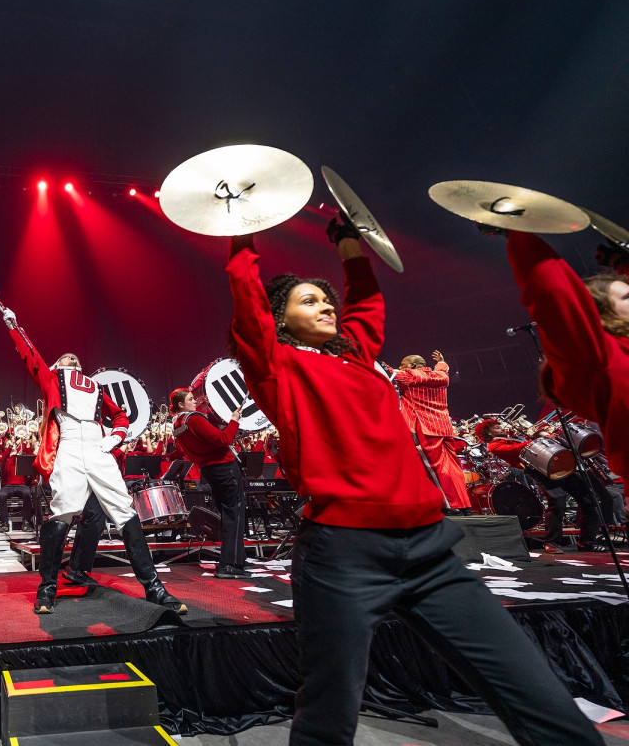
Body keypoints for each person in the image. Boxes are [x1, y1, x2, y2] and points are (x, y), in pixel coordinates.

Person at [224, 218, 600, 745]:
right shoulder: (276, 366)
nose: (327, 307)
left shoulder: (358, 359)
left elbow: (366, 307)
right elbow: (248, 304)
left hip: (429, 550)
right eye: (309, 301)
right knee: (328, 716)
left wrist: (350, 244)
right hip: (343, 555)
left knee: (540, 698)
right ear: (279, 320)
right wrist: (243, 228)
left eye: (327, 300)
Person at [0, 311, 185, 615]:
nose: (72, 358)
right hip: (69, 445)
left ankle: (154, 588)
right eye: (66, 357)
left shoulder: (96, 388)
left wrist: (117, 436)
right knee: (63, 512)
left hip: (98, 447)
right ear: (57, 365)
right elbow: (30, 357)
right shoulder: (52, 378)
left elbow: (120, 415)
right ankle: (47, 588)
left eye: (75, 357)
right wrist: (14, 326)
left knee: (124, 510)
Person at [503, 230, 629, 480]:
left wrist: (621, 263)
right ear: (603, 316)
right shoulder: (601, 357)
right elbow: (552, 294)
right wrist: (516, 234)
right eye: (627, 296)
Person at [476, 418, 605, 553]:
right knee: (558, 504)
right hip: (543, 473)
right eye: (496, 427)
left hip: (560, 465)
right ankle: (551, 542)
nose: (502, 427)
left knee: (588, 500)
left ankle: (587, 542)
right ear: (488, 433)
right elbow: (516, 449)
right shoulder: (494, 446)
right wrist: (540, 440)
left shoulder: (513, 437)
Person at [169, 388, 247, 579]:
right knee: (234, 513)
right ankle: (229, 564)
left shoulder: (178, 423)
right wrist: (234, 421)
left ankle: (236, 559)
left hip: (209, 470)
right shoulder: (194, 419)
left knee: (228, 512)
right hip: (224, 468)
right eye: (190, 399)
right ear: (181, 404)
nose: (195, 401)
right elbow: (224, 439)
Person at [389, 351, 471, 513]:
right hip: (444, 427)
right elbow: (443, 369)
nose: (400, 367)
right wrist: (441, 361)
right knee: (453, 468)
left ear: (412, 366)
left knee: (434, 467)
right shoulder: (441, 376)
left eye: (403, 365)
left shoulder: (407, 377)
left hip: (424, 427)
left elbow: (386, 371)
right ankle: (464, 505)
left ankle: (449, 506)